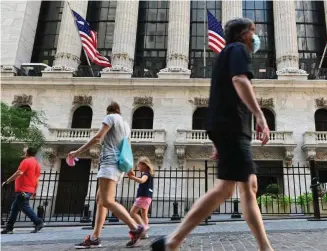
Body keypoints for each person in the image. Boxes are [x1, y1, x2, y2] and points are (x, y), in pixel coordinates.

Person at [151, 18, 274, 251]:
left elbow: (220, 95)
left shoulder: (224, 55)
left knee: (247, 185)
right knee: (230, 188)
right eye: (253, 32)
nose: (256, 37)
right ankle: (172, 240)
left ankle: (173, 241)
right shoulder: (238, 49)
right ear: (243, 34)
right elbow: (239, 80)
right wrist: (260, 115)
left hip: (229, 128)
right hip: (233, 127)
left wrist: (218, 137)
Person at [69, 101, 147, 248]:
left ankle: (135, 227)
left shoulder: (110, 118)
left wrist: (77, 152)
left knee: (107, 200)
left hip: (109, 163)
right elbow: (127, 146)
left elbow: (98, 138)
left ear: (109, 111)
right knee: (100, 200)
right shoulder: (125, 125)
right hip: (119, 165)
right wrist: (129, 167)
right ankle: (95, 237)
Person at [1, 147, 45, 234]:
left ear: (27, 153)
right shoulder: (37, 163)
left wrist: (7, 182)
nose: (23, 151)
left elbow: (19, 173)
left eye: (24, 150)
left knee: (24, 206)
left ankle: (38, 222)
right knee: (15, 208)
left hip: (23, 190)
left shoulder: (26, 161)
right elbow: (36, 178)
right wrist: (35, 190)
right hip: (29, 189)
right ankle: (9, 228)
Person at [128, 156, 154, 239]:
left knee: (132, 212)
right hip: (148, 197)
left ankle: (143, 227)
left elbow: (142, 180)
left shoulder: (146, 174)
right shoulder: (149, 173)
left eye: (139, 165)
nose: (138, 167)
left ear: (145, 165)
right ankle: (144, 233)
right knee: (144, 214)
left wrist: (132, 177)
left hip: (143, 197)